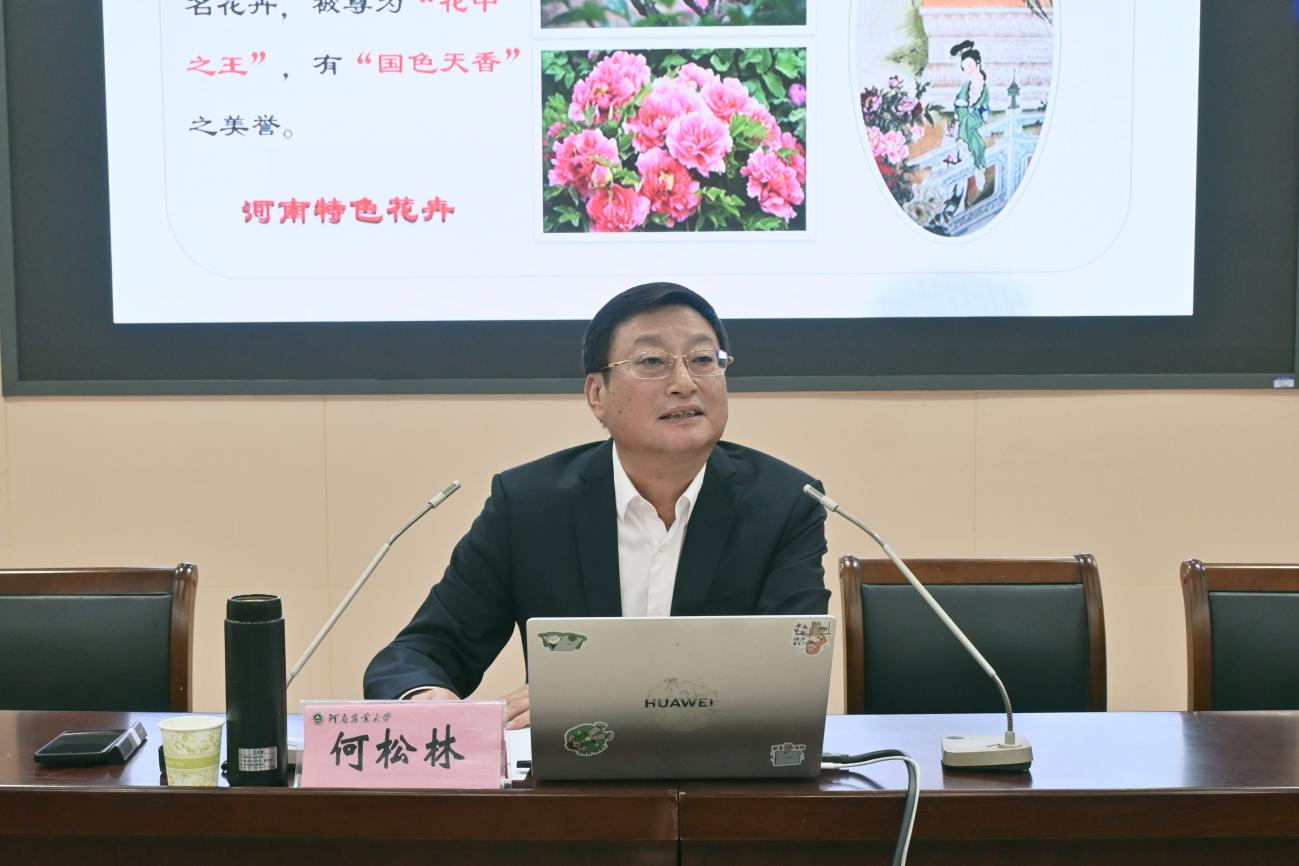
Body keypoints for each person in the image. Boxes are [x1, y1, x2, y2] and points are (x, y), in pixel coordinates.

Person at [363, 283, 830, 728]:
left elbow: (792, 668)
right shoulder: (528, 506)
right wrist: (426, 699)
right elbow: (421, 652)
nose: (684, 382)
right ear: (597, 395)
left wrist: (596, 697)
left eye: (703, 359)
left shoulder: (786, 503)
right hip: (572, 773)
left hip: (727, 771)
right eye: (652, 361)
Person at [949, 39, 990, 192]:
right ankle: (979, 167)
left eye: (970, 66)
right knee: (978, 142)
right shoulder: (967, 85)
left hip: (976, 115)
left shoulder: (983, 85)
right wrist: (960, 110)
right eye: (965, 67)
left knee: (967, 121)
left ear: (978, 63)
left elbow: (983, 104)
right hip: (963, 114)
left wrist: (971, 107)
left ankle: (962, 142)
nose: (968, 70)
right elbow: (959, 101)